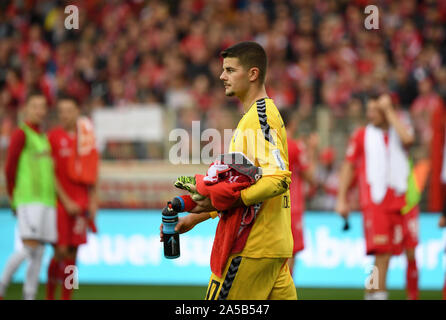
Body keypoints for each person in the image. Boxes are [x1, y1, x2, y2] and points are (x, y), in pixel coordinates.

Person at [160, 41, 297, 300]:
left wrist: (232, 200)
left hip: (251, 246)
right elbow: (241, 185)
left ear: (253, 74)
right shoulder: (257, 116)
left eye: (230, 70)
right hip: (272, 246)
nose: (222, 76)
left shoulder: (260, 118)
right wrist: (197, 216)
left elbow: (279, 179)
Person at [336, 93, 415, 300]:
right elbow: (348, 166)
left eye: (375, 110)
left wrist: (389, 111)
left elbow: (408, 140)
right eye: (369, 110)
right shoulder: (362, 135)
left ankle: (371, 295)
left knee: (384, 256)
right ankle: (379, 296)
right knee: (382, 254)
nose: (370, 114)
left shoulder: (399, 129)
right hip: (375, 202)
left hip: (396, 201)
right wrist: (342, 198)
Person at [0, 90, 57, 300]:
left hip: (46, 201)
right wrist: (14, 196)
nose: (40, 111)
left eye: (43, 107)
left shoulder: (43, 137)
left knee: (39, 252)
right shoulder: (21, 133)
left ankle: (29, 295)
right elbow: (9, 167)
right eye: (35, 106)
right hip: (28, 199)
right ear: (26, 109)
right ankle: (2, 285)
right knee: (29, 248)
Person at [46, 94, 99, 300]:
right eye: (61, 111)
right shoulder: (53, 137)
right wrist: (65, 201)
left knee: (74, 253)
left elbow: (93, 169)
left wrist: (94, 200)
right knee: (60, 252)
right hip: (60, 203)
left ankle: (66, 297)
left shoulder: (86, 137)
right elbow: (49, 172)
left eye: (69, 110)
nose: (65, 115)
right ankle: (50, 295)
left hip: (81, 202)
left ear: (77, 112)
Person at [280, 109, 316, 275]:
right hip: (292, 207)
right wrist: (312, 150)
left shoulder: (272, 145)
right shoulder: (294, 146)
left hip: (274, 207)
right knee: (290, 253)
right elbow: (311, 177)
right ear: (292, 123)